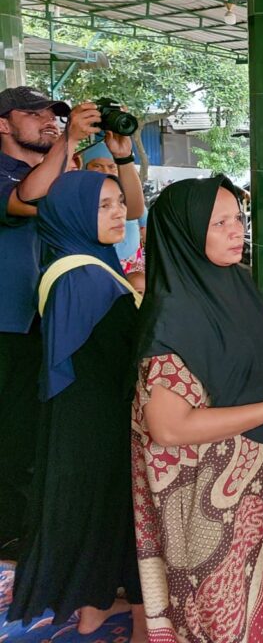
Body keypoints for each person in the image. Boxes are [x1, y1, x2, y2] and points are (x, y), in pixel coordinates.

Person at [131, 175, 263, 643]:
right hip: (206, 497)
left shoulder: (238, 285)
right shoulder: (172, 314)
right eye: (218, 222)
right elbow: (169, 427)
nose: (236, 230)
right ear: (184, 232)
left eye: (237, 218)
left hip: (261, 475)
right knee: (223, 614)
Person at [0, 88, 140, 556]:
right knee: (15, 434)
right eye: (34, 114)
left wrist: (121, 160)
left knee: (42, 434)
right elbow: (26, 201)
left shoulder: (64, 169)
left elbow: (131, 209)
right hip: (9, 326)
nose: (49, 121)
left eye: (54, 116)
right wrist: (70, 144)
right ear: (3, 123)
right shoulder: (15, 176)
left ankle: (40, 534)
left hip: (53, 319)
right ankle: (16, 539)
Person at [7, 171, 145, 639]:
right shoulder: (84, 276)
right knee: (115, 510)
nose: (118, 213)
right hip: (100, 421)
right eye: (103, 206)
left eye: (118, 202)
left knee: (93, 510)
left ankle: (93, 607)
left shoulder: (78, 261)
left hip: (79, 417)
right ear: (73, 214)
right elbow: (123, 354)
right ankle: (140, 618)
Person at [81, 139, 148, 280]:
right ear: (85, 168)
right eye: (97, 166)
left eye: (112, 166)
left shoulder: (131, 199)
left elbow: (146, 229)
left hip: (133, 272)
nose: (106, 171)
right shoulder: (79, 200)